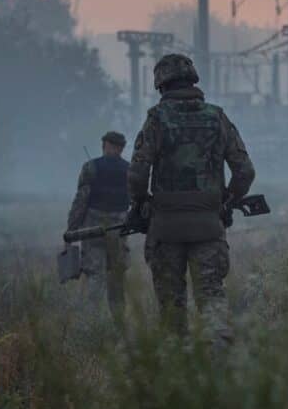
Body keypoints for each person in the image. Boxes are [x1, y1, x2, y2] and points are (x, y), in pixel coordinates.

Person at [128, 53, 255, 347]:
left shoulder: (156, 119)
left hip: (165, 229)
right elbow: (245, 171)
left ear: (161, 85)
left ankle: (178, 376)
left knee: (172, 312)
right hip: (208, 228)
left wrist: (140, 203)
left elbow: (136, 174)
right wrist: (227, 201)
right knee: (212, 301)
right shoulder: (217, 117)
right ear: (193, 80)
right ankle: (221, 371)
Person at [66, 131, 130, 324]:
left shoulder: (91, 167)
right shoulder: (130, 169)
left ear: (106, 145)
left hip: (93, 229)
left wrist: (72, 230)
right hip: (119, 229)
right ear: (121, 148)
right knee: (117, 277)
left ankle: (92, 322)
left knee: (96, 276)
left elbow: (81, 201)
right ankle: (119, 323)